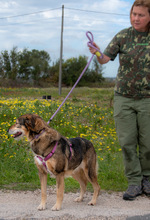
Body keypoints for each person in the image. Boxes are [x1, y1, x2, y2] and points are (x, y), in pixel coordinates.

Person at [89, 0, 150, 200]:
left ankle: (147, 179)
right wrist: (97, 52)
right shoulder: (123, 35)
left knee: (148, 142)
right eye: (134, 14)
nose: (136, 18)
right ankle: (134, 182)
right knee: (127, 142)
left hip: (148, 99)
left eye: (141, 15)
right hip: (123, 97)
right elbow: (105, 58)